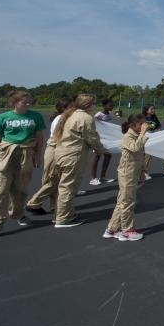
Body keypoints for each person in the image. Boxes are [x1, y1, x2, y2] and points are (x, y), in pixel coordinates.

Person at [0, 91, 45, 242]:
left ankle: (18, 213)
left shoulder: (35, 116)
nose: (28, 104)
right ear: (14, 102)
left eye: (30, 102)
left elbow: (40, 137)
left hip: (26, 154)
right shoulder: (3, 117)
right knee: (0, 190)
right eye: (25, 102)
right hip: (6, 155)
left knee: (20, 189)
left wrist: (38, 156)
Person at [49, 94, 107, 228]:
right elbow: (92, 137)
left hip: (61, 152)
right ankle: (63, 219)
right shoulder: (85, 117)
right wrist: (101, 150)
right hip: (73, 155)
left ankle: (61, 214)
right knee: (69, 187)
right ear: (88, 105)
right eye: (94, 103)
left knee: (63, 186)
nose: (95, 106)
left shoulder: (70, 114)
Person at [103, 114, 149, 241]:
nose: (144, 126)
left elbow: (141, 156)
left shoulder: (137, 136)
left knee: (122, 202)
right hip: (127, 173)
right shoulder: (128, 137)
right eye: (141, 124)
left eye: (144, 124)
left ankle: (111, 229)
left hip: (133, 172)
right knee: (128, 202)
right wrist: (143, 134)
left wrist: (142, 172)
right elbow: (135, 148)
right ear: (133, 125)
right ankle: (127, 231)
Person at [26, 98, 72, 215]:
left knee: (54, 180)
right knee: (51, 180)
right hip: (55, 148)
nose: (73, 108)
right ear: (63, 108)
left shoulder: (65, 118)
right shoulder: (61, 119)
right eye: (71, 106)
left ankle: (54, 206)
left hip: (57, 148)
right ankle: (34, 203)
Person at [90, 98, 115, 186]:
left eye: (112, 105)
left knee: (108, 156)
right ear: (104, 106)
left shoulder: (110, 114)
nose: (112, 107)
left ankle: (103, 177)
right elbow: (93, 124)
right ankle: (93, 178)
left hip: (107, 139)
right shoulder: (98, 115)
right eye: (110, 105)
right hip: (99, 138)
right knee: (97, 156)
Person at [141, 104, 161, 181]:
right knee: (140, 155)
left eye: (154, 109)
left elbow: (158, 126)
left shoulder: (154, 118)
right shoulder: (142, 117)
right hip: (142, 138)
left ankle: (144, 172)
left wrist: (158, 134)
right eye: (151, 109)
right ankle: (138, 172)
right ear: (146, 110)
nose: (153, 110)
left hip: (151, 139)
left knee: (148, 156)